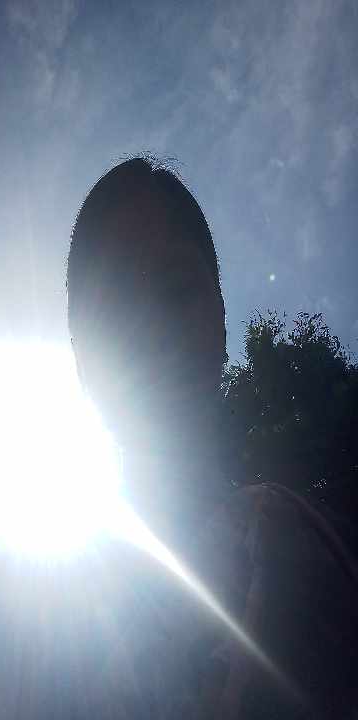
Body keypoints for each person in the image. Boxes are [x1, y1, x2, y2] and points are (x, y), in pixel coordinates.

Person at [67, 157, 358, 719]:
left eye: (175, 290)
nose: (150, 326)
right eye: (114, 305)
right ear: (81, 364)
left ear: (221, 321)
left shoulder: (324, 552)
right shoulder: (19, 608)